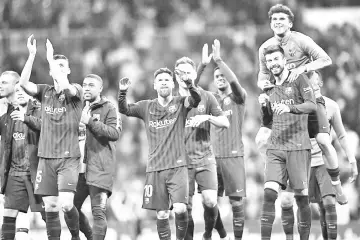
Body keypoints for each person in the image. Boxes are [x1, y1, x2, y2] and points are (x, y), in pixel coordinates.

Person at [256, 3, 354, 206]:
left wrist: (302, 69)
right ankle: (282, 186)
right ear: (271, 24)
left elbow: (325, 59)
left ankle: (336, 185)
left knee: (324, 141)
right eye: (274, 20)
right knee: (265, 139)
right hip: (282, 99)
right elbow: (262, 75)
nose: (278, 23)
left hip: (307, 96)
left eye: (282, 19)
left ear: (290, 23)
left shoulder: (301, 40)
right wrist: (262, 84)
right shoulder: (264, 48)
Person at [261, 75, 358, 240]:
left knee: (327, 204)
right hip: (300, 159)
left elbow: (341, 136)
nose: (306, 82)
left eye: (311, 78)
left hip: (322, 163)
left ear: (319, 82)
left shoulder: (331, 106)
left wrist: (352, 160)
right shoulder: (295, 102)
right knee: (289, 202)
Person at [118, 67, 201, 240]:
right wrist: (123, 92)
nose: (163, 82)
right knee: (162, 214)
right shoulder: (146, 106)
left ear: (172, 84)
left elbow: (196, 99)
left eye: (166, 80)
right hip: (155, 168)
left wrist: (188, 83)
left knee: (180, 208)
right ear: (155, 85)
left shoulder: (180, 102)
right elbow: (124, 109)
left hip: (178, 167)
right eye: (160, 80)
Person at [19, 36, 82, 240]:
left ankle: (75, 236)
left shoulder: (76, 91)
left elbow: (64, 85)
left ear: (69, 70)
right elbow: (23, 83)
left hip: (68, 158)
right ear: (49, 72)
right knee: (51, 206)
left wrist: (50, 59)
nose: (59, 69)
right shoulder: (45, 92)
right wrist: (32, 55)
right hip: (46, 158)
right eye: (56, 66)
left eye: (63, 66)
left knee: (66, 204)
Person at [258, 44, 316, 240]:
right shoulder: (268, 86)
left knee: (300, 198)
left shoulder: (298, 79)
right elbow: (267, 120)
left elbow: (312, 105)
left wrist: (290, 108)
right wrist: (264, 106)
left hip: (298, 146)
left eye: (276, 59)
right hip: (275, 146)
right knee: (269, 194)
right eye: (269, 61)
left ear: (284, 60)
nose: (273, 63)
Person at [196, 39, 247, 240]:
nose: (221, 78)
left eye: (223, 75)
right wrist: (202, 66)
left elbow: (234, 82)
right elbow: (191, 88)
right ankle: (209, 233)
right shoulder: (210, 101)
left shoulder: (238, 98)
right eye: (217, 76)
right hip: (211, 158)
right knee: (210, 202)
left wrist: (219, 61)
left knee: (236, 203)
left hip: (234, 155)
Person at [174, 54, 229, 240]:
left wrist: (207, 117)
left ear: (194, 74)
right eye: (181, 73)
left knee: (210, 200)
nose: (185, 76)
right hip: (181, 162)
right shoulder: (171, 102)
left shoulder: (207, 97)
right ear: (176, 76)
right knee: (184, 208)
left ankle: (208, 234)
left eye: (189, 72)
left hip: (205, 157)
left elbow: (224, 122)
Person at [73, 74, 121, 240]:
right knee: (69, 207)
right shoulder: (76, 107)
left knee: (98, 213)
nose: (86, 88)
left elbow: (115, 133)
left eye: (91, 85)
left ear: (100, 88)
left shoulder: (109, 108)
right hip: (77, 168)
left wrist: (90, 122)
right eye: (84, 84)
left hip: (99, 167)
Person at [0, 68, 44, 240]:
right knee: (11, 213)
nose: (0, 85)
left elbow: (46, 128)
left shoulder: (38, 109)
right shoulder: (6, 114)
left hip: (37, 171)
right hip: (14, 173)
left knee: (49, 212)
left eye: (4, 82)